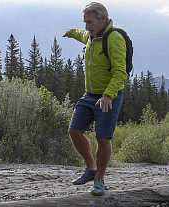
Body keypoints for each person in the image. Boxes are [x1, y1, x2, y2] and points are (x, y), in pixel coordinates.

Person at [63, 2, 128, 196]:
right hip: (89, 95)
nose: (86, 26)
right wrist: (71, 32)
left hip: (109, 96)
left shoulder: (114, 39)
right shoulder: (92, 36)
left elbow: (120, 71)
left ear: (103, 19)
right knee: (74, 131)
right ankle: (90, 168)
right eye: (85, 22)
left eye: (89, 22)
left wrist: (108, 95)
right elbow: (81, 35)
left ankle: (99, 178)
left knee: (102, 137)